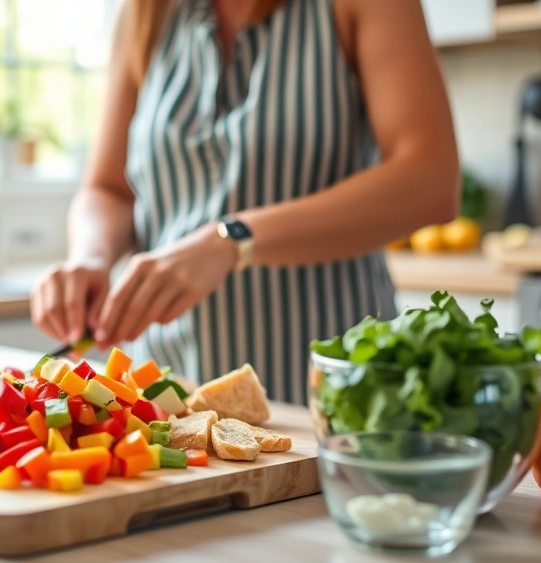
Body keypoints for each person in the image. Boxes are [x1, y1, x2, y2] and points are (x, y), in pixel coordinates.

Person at [30, 0, 459, 403]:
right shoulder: (147, 12)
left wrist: (231, 240)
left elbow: (430, 180)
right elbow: (110, 189)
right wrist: (91, 256)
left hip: (333, 399)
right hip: (166, 396)